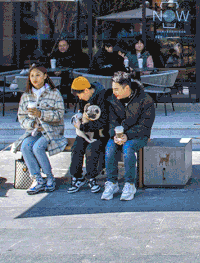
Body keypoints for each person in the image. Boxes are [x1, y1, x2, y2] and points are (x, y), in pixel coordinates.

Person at [102, 71, 156, 201]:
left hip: (140, 135)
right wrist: (115, 135)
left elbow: (145, 125)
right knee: (110, 147)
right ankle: (112, 183)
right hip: (119, 134)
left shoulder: (145, 100)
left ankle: (129, 184)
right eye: (113, 88)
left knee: (128, 148)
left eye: (116, 89)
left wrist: (128, 135)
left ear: (126, 88)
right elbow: (111, 121)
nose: (113, 92)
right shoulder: (112, 99)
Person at [12, 63, 65, 195]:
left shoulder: (54, 93)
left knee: (37, 147)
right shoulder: (26, 95)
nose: (34, 78)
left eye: (38, 75)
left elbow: (60, 114)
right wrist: (32, 125)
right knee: (25, 146)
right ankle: (37, 179)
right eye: (32, 76)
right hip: (34, 131)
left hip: (52, 130)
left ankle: (50, 177)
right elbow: (21, 117)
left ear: (45, 76)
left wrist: (41, 114)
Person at [67, 76, 109, 194]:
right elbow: (81, 111)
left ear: (86, 90)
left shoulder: (102, 97)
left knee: (92, 148)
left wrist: (82, 127)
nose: (79, 98)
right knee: (76, 147)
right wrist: (78, 119)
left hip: (101, 133)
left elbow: (103, 123)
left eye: (79, 95)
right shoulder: (84, 98)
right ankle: (77, 177)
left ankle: (91, 177)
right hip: (86, 131)